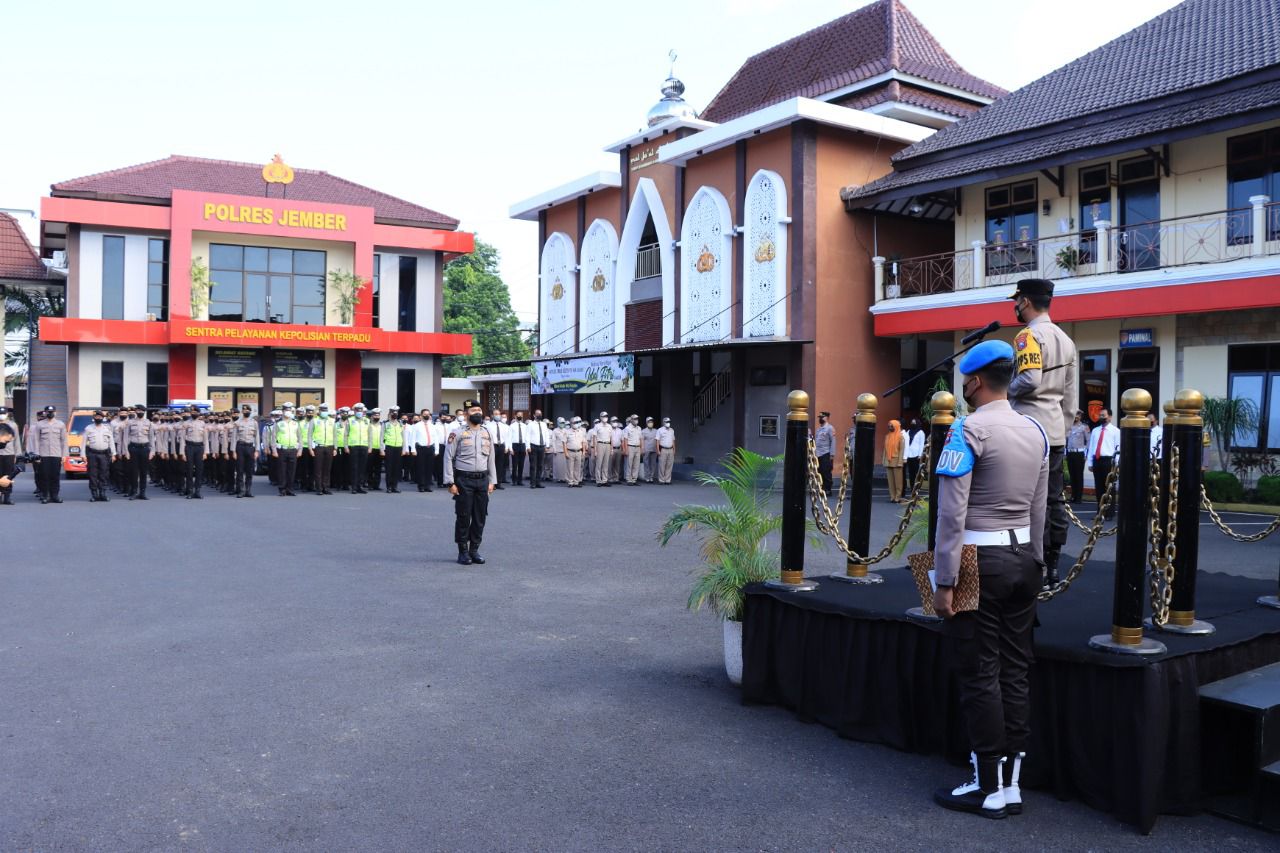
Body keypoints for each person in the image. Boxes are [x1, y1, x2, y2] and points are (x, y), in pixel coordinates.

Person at [932, 339, 1049, 820]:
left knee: (980, 672)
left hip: (978, 558)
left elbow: (951, 514)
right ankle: (1013, 784)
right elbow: (1040, 507)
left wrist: (944, 579)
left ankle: (987, 786)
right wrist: (1035, 560)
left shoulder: (966, 430)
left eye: (965, 380)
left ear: (975, 382)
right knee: (1016, 669)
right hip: (1023, 557)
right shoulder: (1035, 431)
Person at [1006, 278, 1077, 588]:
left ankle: (1030, 563)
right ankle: (1053, 565)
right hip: (1054, 431)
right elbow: (1071, 400)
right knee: (1054, 500)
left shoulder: (1027, 336)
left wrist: (1004, 392)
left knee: (1026, 500)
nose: (1014, 306)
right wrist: (1059, 429)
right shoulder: (1066, 339)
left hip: (1027, 429)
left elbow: (1030, 380)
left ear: (1025, 302)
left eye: (1017, 300)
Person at [444, 400, 497, 565]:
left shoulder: (487, 432)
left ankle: (474, 549)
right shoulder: (457, 433)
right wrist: (449, 482)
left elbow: (491, 459)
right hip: (463, 479)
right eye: (474, 410)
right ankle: (463, 551)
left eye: (479, 410)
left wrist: (492, 481)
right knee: (463, 516)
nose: (478, 413)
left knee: (480, 516)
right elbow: (448, 457)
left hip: (482, 480)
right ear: (466, 414)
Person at [1087, 408, 1119, 519]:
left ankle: (1109, 513)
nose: (1101, 417)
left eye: (1103, 415)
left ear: (1110, 417)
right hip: (1097, 460)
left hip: (1109, 461)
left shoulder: (1116, 431)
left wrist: (1117, 464)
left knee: (1109, 488)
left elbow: (1118, 449)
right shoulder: (1095, 430)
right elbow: (1091, 447)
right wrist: (1090, 462)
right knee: (1099, 487)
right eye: (1100, 415)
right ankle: (1099, 512)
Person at [32, 405, 68, 504]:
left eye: (52, 412)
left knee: (55, 476)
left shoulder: (60, 424)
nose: (50, 413)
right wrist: (37, 455)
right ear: (45, 413)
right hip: (43, 454)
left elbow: (64, 441)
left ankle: (55, 495)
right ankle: (46, 495)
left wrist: (64, 455)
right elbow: (36, 440)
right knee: (45, 475)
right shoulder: (39, 425)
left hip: (56, 454)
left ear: (55, 413)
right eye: (48, 412)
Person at [124, 405, 154, 500]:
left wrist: (152, 451)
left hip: (145, 448)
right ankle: (134, 492)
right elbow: (125, 437)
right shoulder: (130, 422)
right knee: (134, 471)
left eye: (141, 410)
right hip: (133, 448)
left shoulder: (148, 422)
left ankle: (142, 493)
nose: (139, 412)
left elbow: (151, 438)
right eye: (138, 410)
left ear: (144, 412)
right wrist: (126, 451)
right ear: (136, 411)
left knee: (144, 472)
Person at [273, 403, 301, 496]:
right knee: (282, 470)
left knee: (292, 471)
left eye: (289, 410)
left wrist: (300, 450)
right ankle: (282, 489)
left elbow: (299, 437)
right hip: (282, 450)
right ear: (283, 411)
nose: (288, 412)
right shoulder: (278, 423)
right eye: (286, 410)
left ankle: (290, 489)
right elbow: (273, 438)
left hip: (293, 449)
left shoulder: (295, 423)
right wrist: (274, 450)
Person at [180, 408, 208, 499]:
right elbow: (182, 439)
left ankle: (197, 491)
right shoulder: (186, 423)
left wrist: (206, 452)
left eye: (196, 412)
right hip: (189, 447)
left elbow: (205, 439)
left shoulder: (202, 424)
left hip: (200, 448)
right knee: (189, 470)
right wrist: (182, 453)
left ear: (199, 413)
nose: (194, 413)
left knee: (199, 470)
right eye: (192, 412)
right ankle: (190, 491)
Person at [234, 404, 259, 497]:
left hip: (250, 448)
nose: (246, 412)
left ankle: (248, 490)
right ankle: (241, 490)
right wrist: (233, 451)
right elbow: (234, 438)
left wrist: (257, 450)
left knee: (249, 470)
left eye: (248, 411)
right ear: (242, 412)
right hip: (240, 447)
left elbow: (257, 437)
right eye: (244, 411)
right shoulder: (237, 423)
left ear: (250, 412)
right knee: (240, 470)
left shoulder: (254, 423)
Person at [346, 403, 371, 494]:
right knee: (354, 467)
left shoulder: (367, 421)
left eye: (361, 410)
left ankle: (360, 486)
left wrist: (370, 446)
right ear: (355, 411)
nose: (359, 412)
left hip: (364, 446)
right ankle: (354, 487)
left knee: (362, 467)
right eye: (357, 410)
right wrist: (346, 446)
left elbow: (370, 434)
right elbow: (346, 434)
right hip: (353, 446)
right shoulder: (350, 420)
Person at [0, 405, 22, 505]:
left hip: (9, 453)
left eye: (3, 414)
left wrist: (17, 455)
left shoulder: (13, 425)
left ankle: (7, 497)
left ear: (7, 414)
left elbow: (17, 440)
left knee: (9, 475)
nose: (2, 416)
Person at [1066, 412, 1088, 504]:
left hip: (1079, 453)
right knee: (1072, 475)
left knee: (1078, 476)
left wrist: (1086, 454)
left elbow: (1088, 440)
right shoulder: (1068, 427)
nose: (1076, 417)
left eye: (1078, 415)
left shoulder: (1084, 427)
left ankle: (1079, 497)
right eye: (1075, 415)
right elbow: (1066, 440)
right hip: (1070, 453)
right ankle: (1073, 496)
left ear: (1080, 416)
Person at [383, 406, 406, 493]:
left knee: (396, 468)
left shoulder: (400, 423)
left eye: (396, 412)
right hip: (389, 447)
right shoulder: (385, 424)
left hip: (398, 447)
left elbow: (403, 436)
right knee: (389, 468)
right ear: (390, 413)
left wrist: (404, 448)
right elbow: (382, 437)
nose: (395, 414)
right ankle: (389, 487)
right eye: (393, 412)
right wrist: (382, 449)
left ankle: (394, 487)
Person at [883, 419, 906, 502]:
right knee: (890, 481)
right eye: (889, 426)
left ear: (896, 426)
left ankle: (898, 497)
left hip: (896, 461)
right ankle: (892, 496)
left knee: (898, 481)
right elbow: (885, 450)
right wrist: (884, 460)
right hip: (888, 461)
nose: (890, 427)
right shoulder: (887, 436)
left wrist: (900, 462)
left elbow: (901, 450)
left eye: (891, 426)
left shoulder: (900, 437)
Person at [815, 411, 835, 495]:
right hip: (818, 454)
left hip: (826, 453)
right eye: (819, 417)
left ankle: (828, 489)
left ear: (826, 418)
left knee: (826, 471)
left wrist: (832, 454)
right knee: (820, 471)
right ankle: (822, 488)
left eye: (822, 417)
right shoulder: (818, 429)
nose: (820, 419)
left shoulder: (830, 428)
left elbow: (833, 441)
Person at [527, 409, 548, 489]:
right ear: (534, 415)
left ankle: (538, 482)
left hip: (542, 446)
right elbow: (527, 436)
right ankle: (532, 483)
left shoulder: (544, 424)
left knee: (540, 465)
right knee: (533, 465)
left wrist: (547, 445)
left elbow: (546, 435)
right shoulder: (530, 424)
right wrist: (528, 447)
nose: (539, 415)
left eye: (540, 413)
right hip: (533, 446)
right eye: (537, 414)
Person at [564, 417, 586, 486]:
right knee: (570, 468)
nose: (575, 424)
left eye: (576, 423)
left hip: (579, 451)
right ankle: (570, 482)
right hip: (570, 451)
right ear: (571, 424)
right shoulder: (567, 432)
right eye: (574, 423)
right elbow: (564, 443)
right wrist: (566, 452)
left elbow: (583, 442)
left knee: (577, 468)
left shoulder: (581, 432)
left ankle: (576, 482)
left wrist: (584, 451)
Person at [905, 418, 925, 492]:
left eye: (914, 422)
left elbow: (921, 444)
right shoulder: (908, 431)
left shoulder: (921, 432)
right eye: (912, 422)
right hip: (909, 454)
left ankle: (916, 488)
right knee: (910, 473)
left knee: (916, 473)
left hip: (916, 455)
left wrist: (920, 455)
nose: (912, 424)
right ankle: (911, 487)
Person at [623, 415, 643, 485]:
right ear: (631, 420)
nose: (636, 420)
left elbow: (641, 439)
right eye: (635, 419)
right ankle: (629, 479)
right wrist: (626, 449)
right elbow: (625, 440)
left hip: (637, 447)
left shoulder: (639, 428)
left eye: (637, 419)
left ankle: (634, 479)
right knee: (629, 464)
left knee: (636, 464)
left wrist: (641, 448)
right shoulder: (627, 428)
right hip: (630, 447)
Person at [656, 417, 676, 484]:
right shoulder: (660, 430)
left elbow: (673, 440)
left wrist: (674, 449)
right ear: (664, 422)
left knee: (669, 465)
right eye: (667, 422)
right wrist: (658, 450)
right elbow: (657, 441)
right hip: (663, 449)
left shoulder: (672, 430)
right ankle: (661, 480)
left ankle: (667, 480)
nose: (668, 423)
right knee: (662, 465)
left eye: (669, 422)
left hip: (670, 449)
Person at [641, 417, 658, 483]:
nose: (651, 423)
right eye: (649, 422)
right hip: (646, 449)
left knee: (653, 464)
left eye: (651, 422)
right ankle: (647, 477)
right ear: (646, 423)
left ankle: (651, 477)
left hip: (654, 449)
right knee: (646, 463)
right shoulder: (643, 431)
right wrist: (642, 448)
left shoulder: (656, 431)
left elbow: (657, 440)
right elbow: (642, 440)